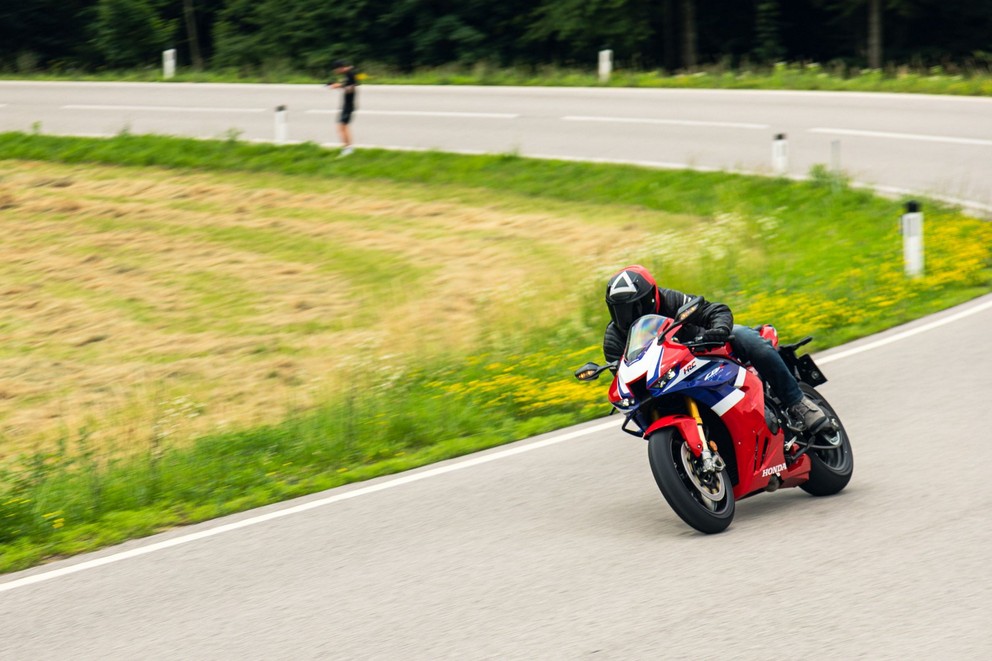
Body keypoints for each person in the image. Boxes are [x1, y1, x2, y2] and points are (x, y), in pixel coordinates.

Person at [602, 265, 828, 432]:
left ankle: (797, 402)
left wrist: (718, 331)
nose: (628, 315)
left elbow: (714, 310)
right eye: (620, 310)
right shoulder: (614, 340)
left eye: (634, 306)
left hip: (703, 351)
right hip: (666, 379)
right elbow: (625, 377)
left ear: (651, 297)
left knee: (743, 335)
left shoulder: (670, 300)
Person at [326, 60, 359, 156]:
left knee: (341, 126)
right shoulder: (347, 74)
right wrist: (337, 85)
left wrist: (338, 86)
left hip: (348, 105)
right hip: (347, 104)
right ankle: (348, 148)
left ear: (340, 68)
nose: (335, 72)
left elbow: (351, 89)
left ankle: (347, 149)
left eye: (335, 70)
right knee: (343, 126)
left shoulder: (349, 75)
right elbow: (347, 85)